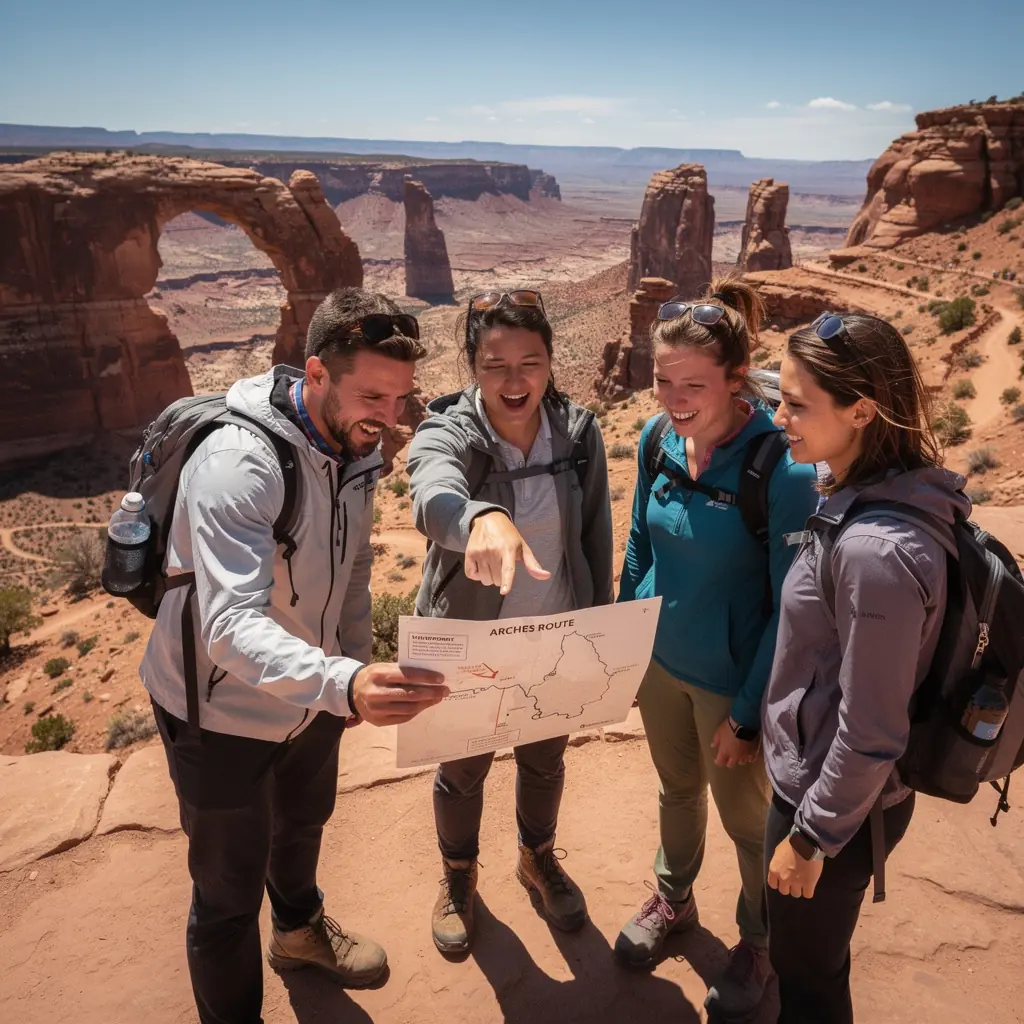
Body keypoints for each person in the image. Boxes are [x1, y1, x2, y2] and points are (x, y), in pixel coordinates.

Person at [140, 288, 449, 1024]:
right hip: (217, 711)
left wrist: (344, 665)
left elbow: (352, 571)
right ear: (315, 373)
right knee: (224, 896)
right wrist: (343, 681)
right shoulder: (239, 463)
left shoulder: (355, 446)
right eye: (372, 392)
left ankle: (299, 935)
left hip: (309, 689)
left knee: (303, 822)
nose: (390, 413)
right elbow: (228, 626)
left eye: (402, 396)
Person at [614, 278, 819, 1020]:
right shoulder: (656, 438)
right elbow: (640, 542)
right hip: (661, 670)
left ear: (738, 380)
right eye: (663, 379)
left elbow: (794, 609)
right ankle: (674, 903)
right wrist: (620, 642)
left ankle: (760, 944)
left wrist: (744, 714)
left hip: (734, 686)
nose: (673, 397)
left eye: (693, 384)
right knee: (674, 791)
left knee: (747, 823)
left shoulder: (781, 470)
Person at [762, 312, 969, 1023]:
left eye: (795, 404)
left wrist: (810, 838)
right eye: (777, 396)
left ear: (861, 410)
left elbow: (871, 727)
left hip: (832, 807)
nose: (778, 415)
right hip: (833, 788)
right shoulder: (891, 484)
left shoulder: (874, 551)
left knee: (808, 982)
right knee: (817, 962)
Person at [407, 288, 614, 955]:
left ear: (552, 362)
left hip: (552, 638)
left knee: (545, 763)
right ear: (472, 367)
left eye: (530, 361)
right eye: (496, 364)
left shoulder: (579, 435)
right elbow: (431, 487)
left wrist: (597, 637)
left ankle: (537, 857)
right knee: (462, 771)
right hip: (469, 644)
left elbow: (594, 540)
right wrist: (478, 519)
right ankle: (459, 875)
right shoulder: (451, 433)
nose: (515, 380)